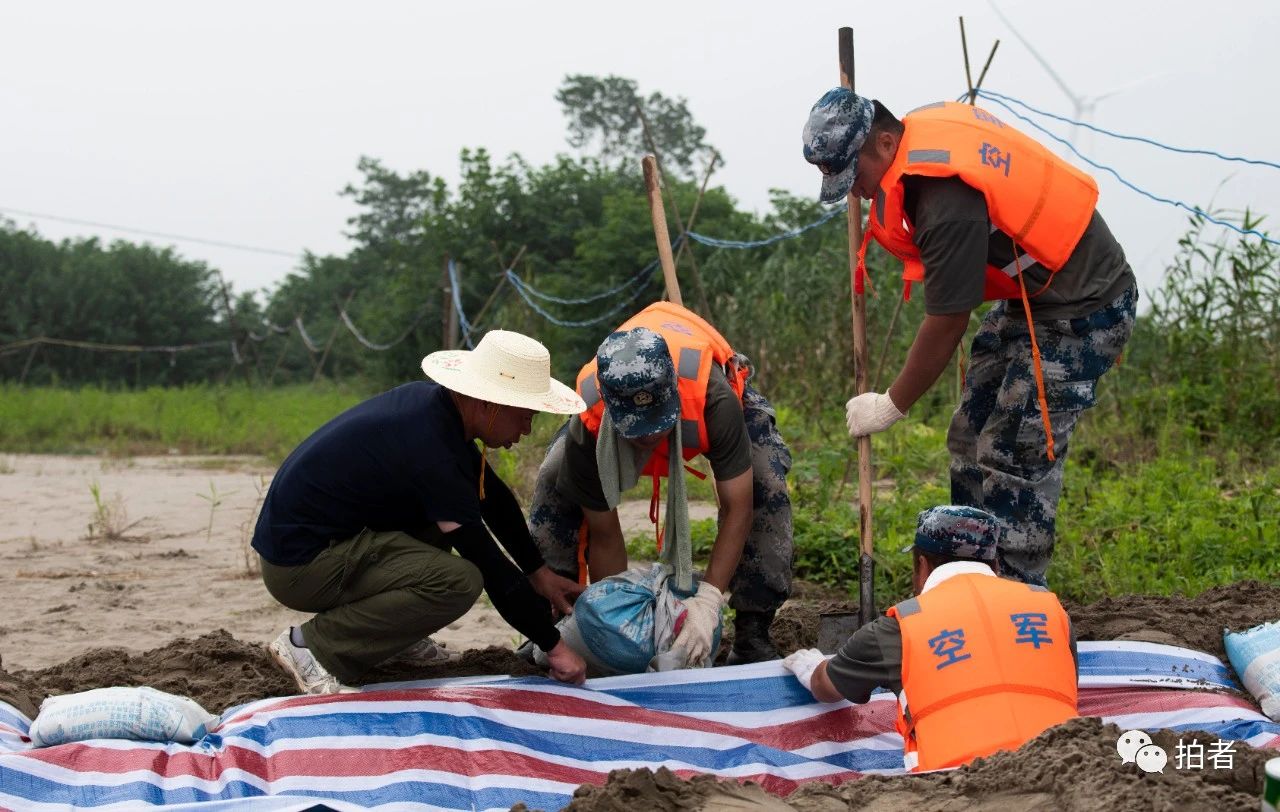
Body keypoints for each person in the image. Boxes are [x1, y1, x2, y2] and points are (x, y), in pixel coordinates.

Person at [802, 89, 1137, 586]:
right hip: (1032, 298)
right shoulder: (913, 153)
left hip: (1085, 307)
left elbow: (948, 320)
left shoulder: (943, 199)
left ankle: (1018, 597)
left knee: (1012, 449)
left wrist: (892, 404)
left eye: (857, 177)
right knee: (968, 434)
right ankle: (970, 575)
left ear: (886, 142)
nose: (858, 193)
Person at [251, 329, 590, 694]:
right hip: (299, 566)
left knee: (439, 521)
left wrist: (538, 572)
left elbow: (493, 498)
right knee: (458, 581)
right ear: (488, 403)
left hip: (325, 541)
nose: (527, 429)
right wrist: (554, 647)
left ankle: (398, 636)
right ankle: (309, 648)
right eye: (525, 415)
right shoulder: (432, 449)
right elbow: (489, 564)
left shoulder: (437, 409)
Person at [528, 301, 793, 665]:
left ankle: (753, 633)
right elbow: (605, 534)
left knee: (767, 483)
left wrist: (708, 601)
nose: (650, 437)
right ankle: (555, 623)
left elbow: (738, 508)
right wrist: (617, 618)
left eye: (657, 423)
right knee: (553, 479)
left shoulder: (714, 400)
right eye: (638, 430)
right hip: (609, 425)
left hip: (706, 398)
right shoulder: (589, 420)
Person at [783, 505, 1078, 772]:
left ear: (922, 567)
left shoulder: (901, 627)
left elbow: (826, 686)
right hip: (1071, 768)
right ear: (996, 567)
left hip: (961, 781)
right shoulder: (1050, 609)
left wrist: (810, 665)